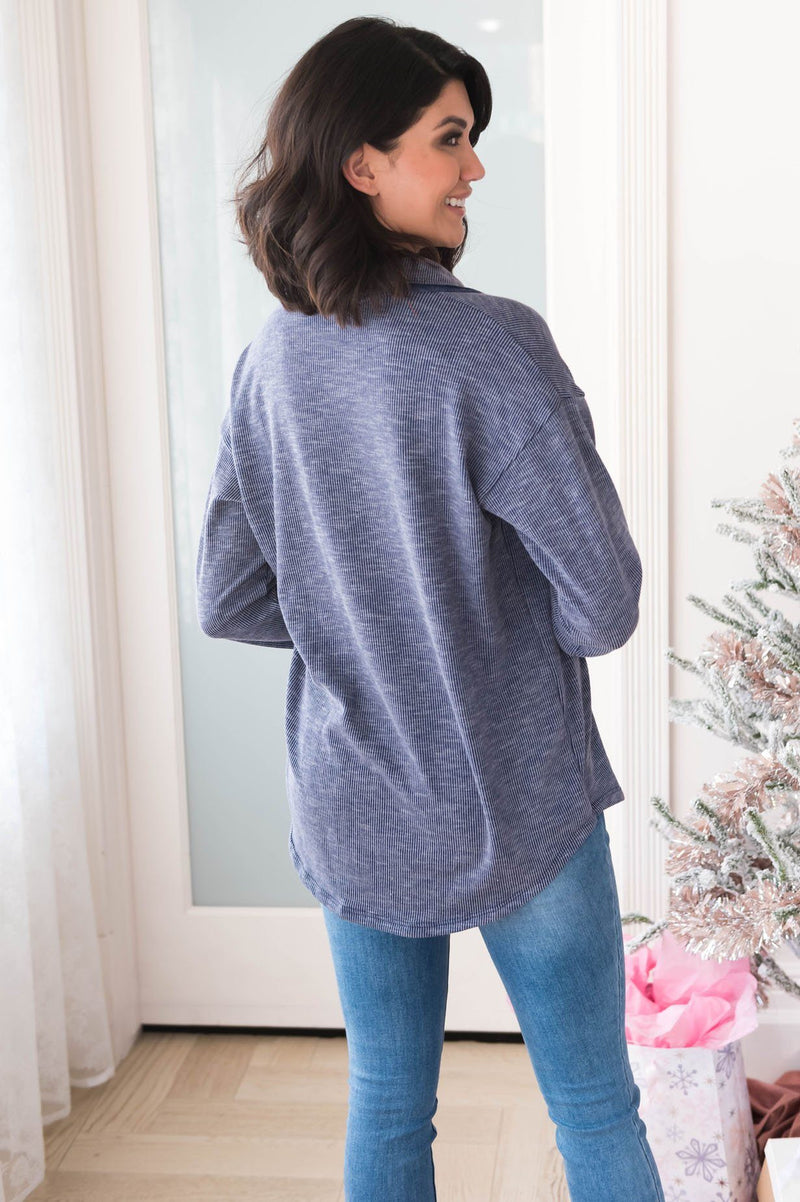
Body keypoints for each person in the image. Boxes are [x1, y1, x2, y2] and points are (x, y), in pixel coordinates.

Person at [195, 16, 665, 1202]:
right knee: (593, 1108)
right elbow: (602, 603)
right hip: (518, 799)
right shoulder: (492, 349)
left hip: (353, 800)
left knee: (387, 1106)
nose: (475, 166)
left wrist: (366, 619)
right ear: (361, 163)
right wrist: (480, 632)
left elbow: (231, 593)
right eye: (448, 138)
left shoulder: (270, 361)